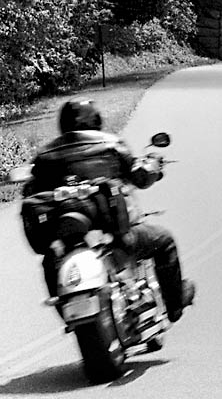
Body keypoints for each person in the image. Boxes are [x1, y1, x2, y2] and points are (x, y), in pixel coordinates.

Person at [23, 100, 195, 323]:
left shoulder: (44, 157)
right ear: (95, 119)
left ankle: (72, 318)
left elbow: (31, 192)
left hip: (69, 239)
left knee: (50, 262)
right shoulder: (110, 144)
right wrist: (154, 166)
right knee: (165, 242)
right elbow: (140, 176)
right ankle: (175, 305)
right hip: (117, 234)